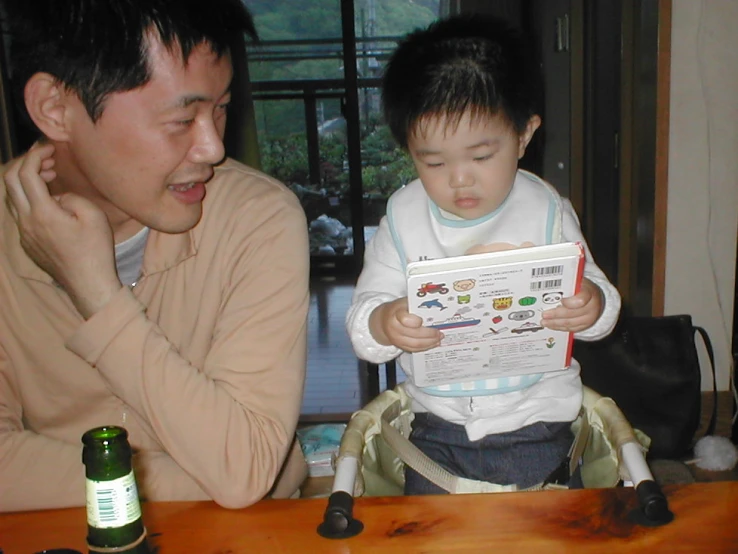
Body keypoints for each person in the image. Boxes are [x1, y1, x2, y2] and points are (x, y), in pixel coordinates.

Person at [0, 0, 310, 511]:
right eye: (182, 119)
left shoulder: (256, 217)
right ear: (55, 109)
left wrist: (97, 296)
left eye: (220, 109)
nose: (212, 148)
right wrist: (215, 479)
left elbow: (241, 469)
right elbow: (245, 475)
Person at [346, 14, 622, 495]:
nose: (459, 179)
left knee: (549, 535)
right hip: (436, 428)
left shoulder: (547, 211)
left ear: (523, 135)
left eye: (480, 156)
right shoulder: (403, 220)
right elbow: (362, 325)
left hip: (538, 421)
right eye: (433, 162)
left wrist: (590, 304)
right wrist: (384, 321)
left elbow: (603, 310)